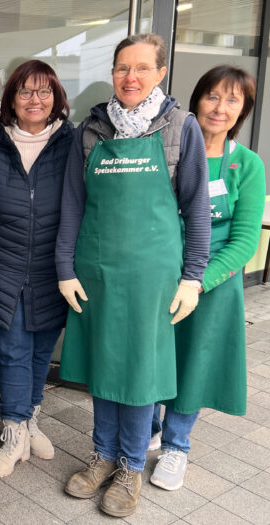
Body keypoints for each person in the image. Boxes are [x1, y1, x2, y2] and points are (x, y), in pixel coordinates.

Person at [56, 34, 210, 517]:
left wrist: (192, 277)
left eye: (142, 68)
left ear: (161, 73)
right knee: (104, 367)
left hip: (153, 275)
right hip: (97, 272)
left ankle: (130, 467)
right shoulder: (91, 130)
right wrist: (65, 268)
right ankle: (102, 455)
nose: (131, 77)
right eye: (123, 67)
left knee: (141, 373)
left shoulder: (181, 129)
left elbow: (197, 209)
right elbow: (72, 206)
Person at [148, 65, 265, 491]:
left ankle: (176, 446)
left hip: (212, 285)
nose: (220, 107)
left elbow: (244, 241)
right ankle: (150, 429)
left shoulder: (246, 165)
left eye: (232, 100)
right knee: (157, 355)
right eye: (213, 96)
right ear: (196, 99)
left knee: (195, 364)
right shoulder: (167, 150)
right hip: (160, 275)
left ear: (244, 110)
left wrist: (198, 281)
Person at [0, 60, 73, 478]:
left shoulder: (71, 145)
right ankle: (11, 432)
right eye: (25, 91)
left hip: (53, 269)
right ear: (11, 99)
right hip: (1, 267)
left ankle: (29, 422)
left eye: (44, 92)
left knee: (42, 349)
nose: (35, 100)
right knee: (11, 350)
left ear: (56, 97)